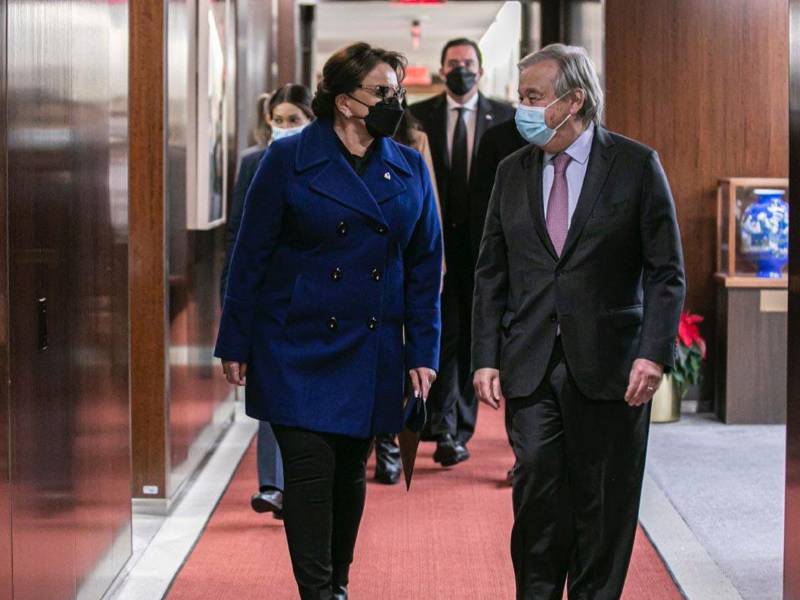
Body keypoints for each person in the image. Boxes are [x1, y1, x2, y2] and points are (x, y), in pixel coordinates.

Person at [215, 42, 442, 600]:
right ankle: (319, 593)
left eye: (398, 92)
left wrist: (423, 353)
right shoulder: (288, 157)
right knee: (310, 476)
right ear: (344, 101)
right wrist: (235, 340)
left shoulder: (407, 163)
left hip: (373, 347)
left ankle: (337, 583)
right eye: (382, 92)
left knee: (348, 475)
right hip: (296, 346)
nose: (395, 102)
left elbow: (425, 265)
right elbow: (251, 254)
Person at [471, 44, 685, 599]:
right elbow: (491, 271)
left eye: (533, 97)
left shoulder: (636, 165)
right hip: (531, 365)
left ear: (575, 100)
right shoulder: (512, 171)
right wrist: (485, 357)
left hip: (614, 369)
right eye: (521, 96)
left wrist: (653, 351)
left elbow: (666, 271)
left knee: (604, 507)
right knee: (537, 501)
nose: (522, 107)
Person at [410, 38, 515, 467]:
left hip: (486, 248)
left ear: (482, 70)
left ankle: (458, 429)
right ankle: (443, 424)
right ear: (441, 69)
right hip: (436, 248)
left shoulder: (505, 119)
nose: (461, 69)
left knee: (476, 338)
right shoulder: (419, 117)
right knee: (441, 335)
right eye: (453, 63)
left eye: (468, 63)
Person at [221, 84, 315, 517]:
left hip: (315, 300)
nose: (282, 128)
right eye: (276, 120)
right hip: (268, 301)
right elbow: (236, 238)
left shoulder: (326, 166)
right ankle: (272, 485)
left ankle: (301, 483)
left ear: (312, 121)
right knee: (271, 394)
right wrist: (232, 309)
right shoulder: (252, 163)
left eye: (292, 120)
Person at [373, 104, 444, 485]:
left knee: (400, 365)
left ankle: (388, 443)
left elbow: (427, 213)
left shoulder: (413, 149)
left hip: (400, 272)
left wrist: (439, 269)